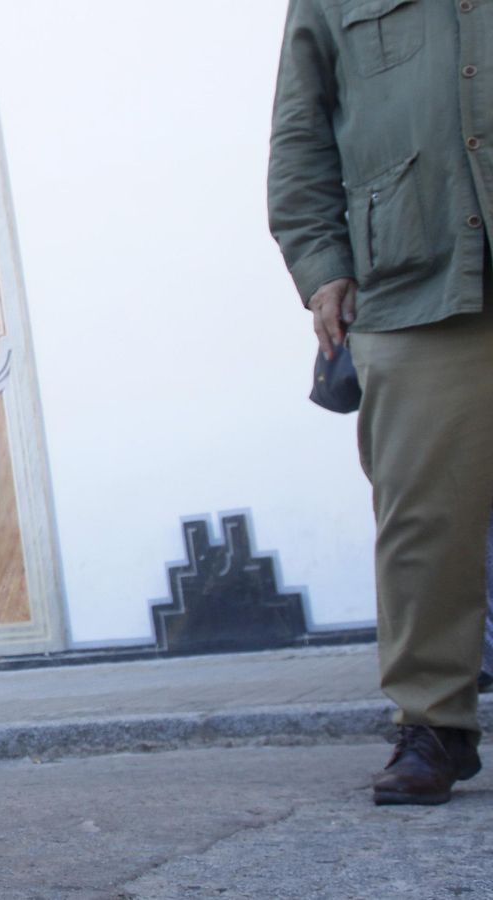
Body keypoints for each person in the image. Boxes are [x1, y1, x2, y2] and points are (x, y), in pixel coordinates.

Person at [269, 1, 493, 805]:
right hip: (413, 271)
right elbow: (300, 131)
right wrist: (321, 263)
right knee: (423, 512)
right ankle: (434, 722)